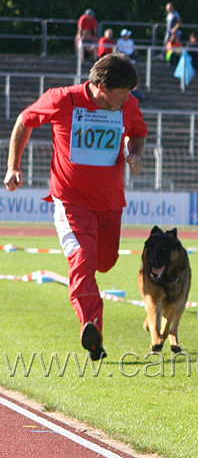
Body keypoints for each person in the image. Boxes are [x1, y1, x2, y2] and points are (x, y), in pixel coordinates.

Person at [3, 53, 147, 361]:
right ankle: (91, 326)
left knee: (104, 261)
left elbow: (138, 133)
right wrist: (13, 165)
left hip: (110, 203)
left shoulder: (128, 105)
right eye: (121, 94)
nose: (125, 100)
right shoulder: (62, 99)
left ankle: (90, 309)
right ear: (100, 86)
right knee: (83, 260)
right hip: (71, 200)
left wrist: (135, 154)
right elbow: (24, 120)